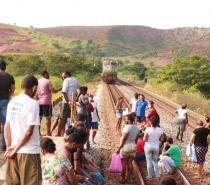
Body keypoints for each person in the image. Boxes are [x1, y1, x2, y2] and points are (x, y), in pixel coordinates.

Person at [4, 74, 42, 184]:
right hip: (29, 152)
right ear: (34, 88)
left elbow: (7, 126)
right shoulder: (32, 104)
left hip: (13, 151)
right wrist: (14, 150)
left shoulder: (12, 101)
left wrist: (9, 148)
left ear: (21, 85)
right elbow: (29, 132)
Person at [116, 114, 140, 184]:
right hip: (133, 145)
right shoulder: (137, 128)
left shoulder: (127, 127)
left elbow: (123, 139)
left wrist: (119, 148)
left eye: (126, 119)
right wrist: (134, 145)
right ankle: (128, 178)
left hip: (126, 146)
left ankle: (123, 179)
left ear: (129, 120)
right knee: (130, 163)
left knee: (124, 163)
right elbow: (136, 139)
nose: (125, 120)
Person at [37, 70, 62, 136]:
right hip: (46, 101)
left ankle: (38, 133)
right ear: (45, 74)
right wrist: (59, 89)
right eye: (47, 74)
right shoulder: (48, 81)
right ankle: (48, 133)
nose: (48, 75)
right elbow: (53, 91)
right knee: (48, 118)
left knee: (39, 118)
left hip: (39, 101)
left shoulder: (37, 81)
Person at [57, 71, 81, 136]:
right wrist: (76, 98)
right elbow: (81, 89)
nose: (63, 78)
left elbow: (64, 92)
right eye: (62, 77)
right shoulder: (75, 80)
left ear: (68, 75)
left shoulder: (66, 80)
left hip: (66, 102)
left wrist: (67, 102)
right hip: (73, 102)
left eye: (64, 77)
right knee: (72, 119)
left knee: (62, 119)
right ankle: (67, 134)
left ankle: (58, 134)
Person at [0, 60, 15, 151]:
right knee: (5, 123)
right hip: (5, 101)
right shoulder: (10, 77)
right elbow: (12, 91)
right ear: (5, 67)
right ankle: (4, 144)